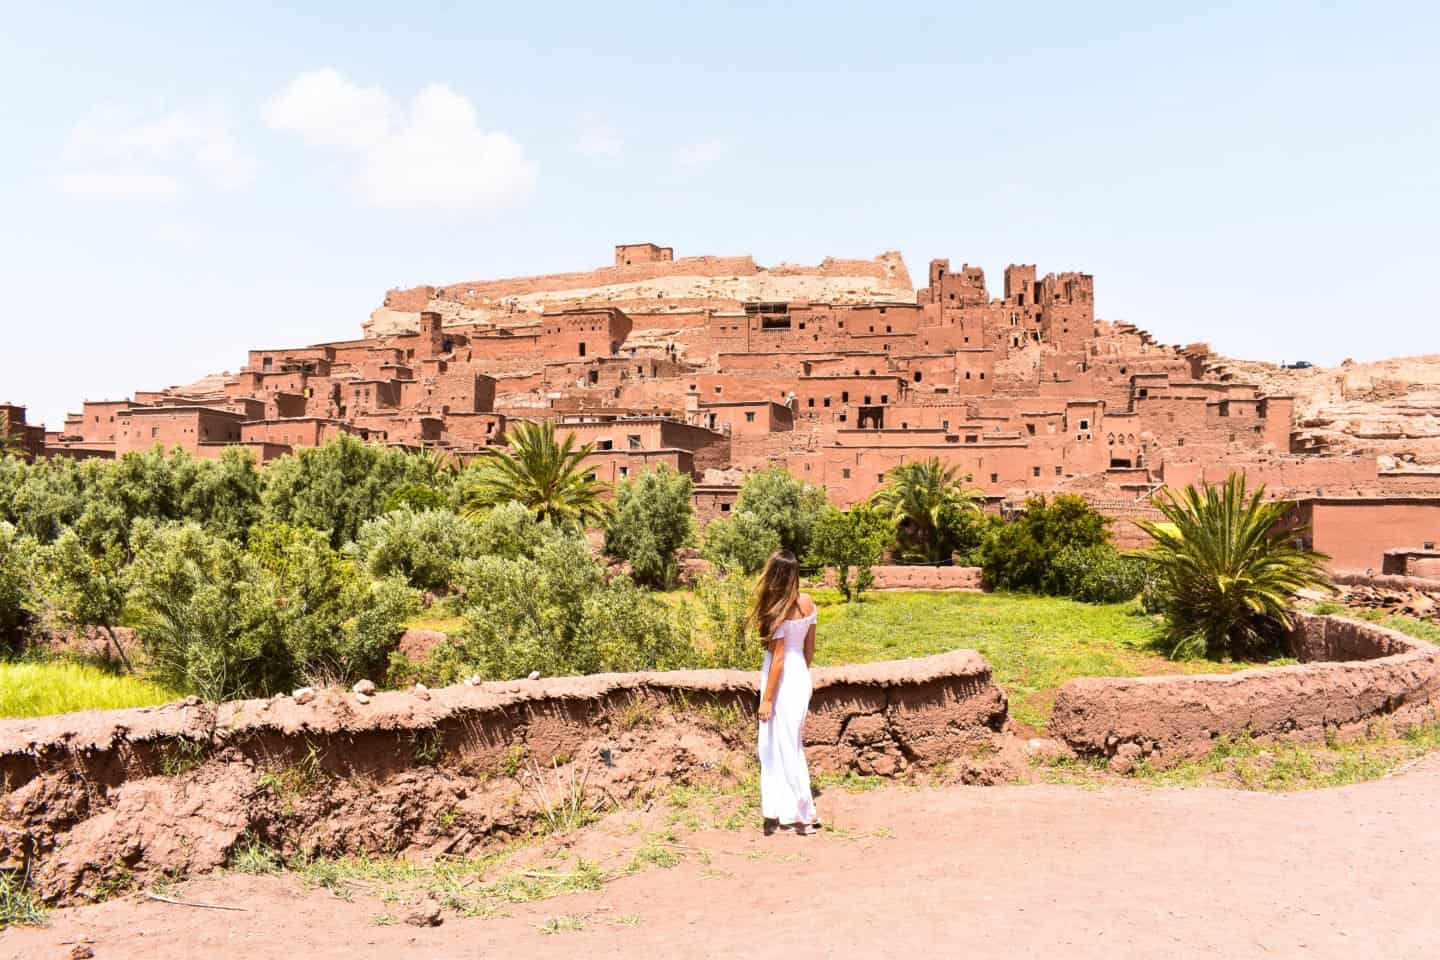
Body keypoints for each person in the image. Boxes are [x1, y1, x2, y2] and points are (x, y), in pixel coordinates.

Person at [752, 549, 821, 835]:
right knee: (791, 743)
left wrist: (767, 699)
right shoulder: (808, 603)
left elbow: (778, 659)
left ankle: (804, 812)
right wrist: (799, 677)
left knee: (778, 745)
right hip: (800, 676)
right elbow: (809, 650)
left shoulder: (778, 611)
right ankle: (792, 807)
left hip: (780, 679)